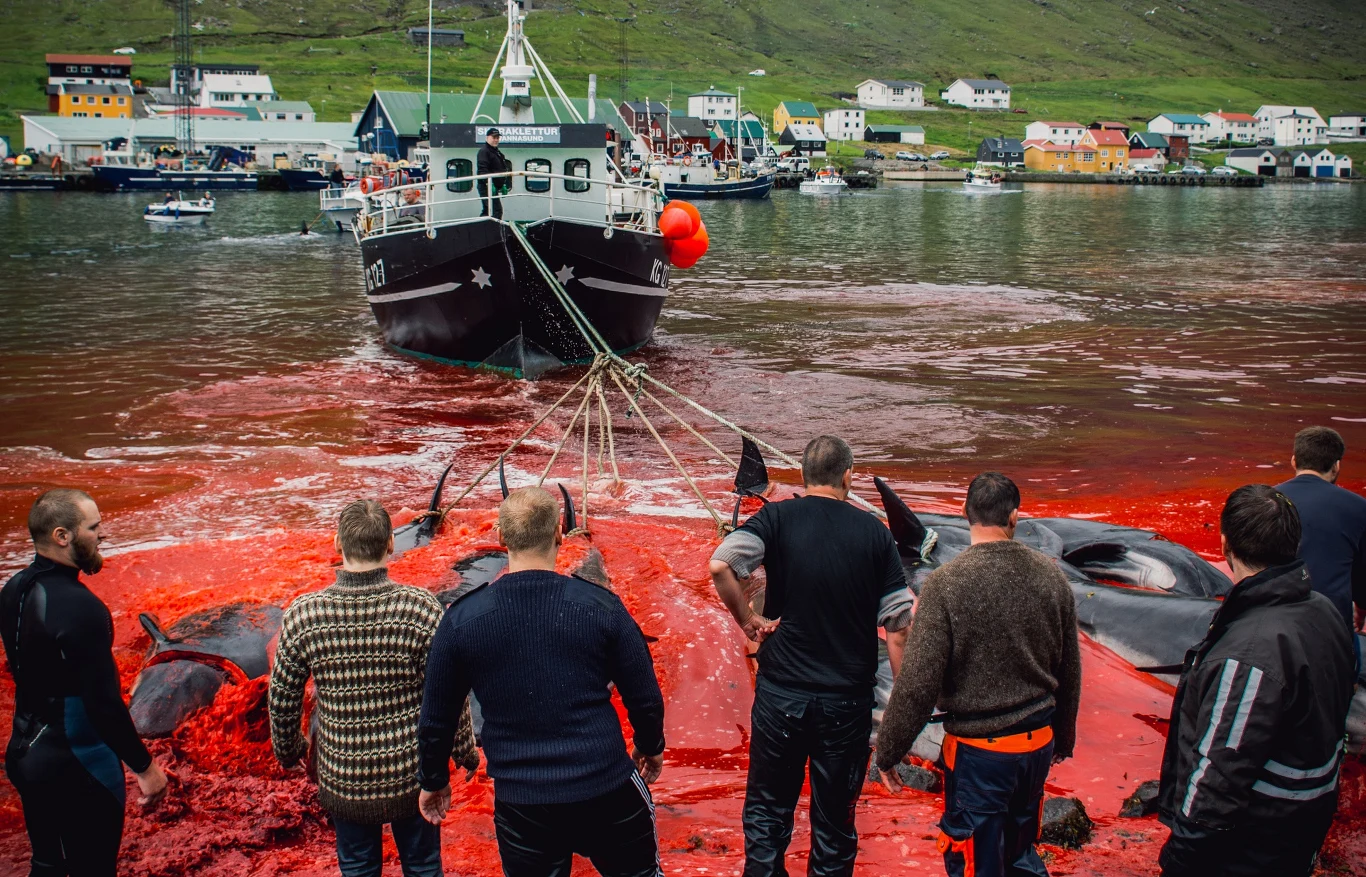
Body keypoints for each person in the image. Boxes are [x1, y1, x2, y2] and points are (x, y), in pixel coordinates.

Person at [417, 487, 665, 877]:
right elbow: (644, 694)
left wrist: (432, 779)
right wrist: (651, 746)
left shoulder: (463, 620)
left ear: (500, 538)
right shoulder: (600, 606)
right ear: (559, 536)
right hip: (607, 786)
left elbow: (437, 716)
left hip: (523, 803)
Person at [709, 435, 913, 877]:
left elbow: (721, 563)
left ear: (803, 476)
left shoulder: (778, 518)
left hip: (781, 694)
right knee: (835, 822)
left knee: (767, 811)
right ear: (848, 476)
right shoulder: (874, 534)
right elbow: (897, 625)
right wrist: (901, 709)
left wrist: (747, 619)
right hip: (845, 702)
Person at [875, 472, 1081, 877]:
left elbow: (918, 682)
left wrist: (889, 750)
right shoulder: (1052, 577)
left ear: (966, 513)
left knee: (973, 861)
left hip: (980, 755)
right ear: (1015, 518)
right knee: (1021, 852)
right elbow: (1070, 669)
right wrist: (1064, 738)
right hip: (1037, 743)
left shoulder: (945, 584)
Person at [269, 500, 479, 877]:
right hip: (412, 777)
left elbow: (283, 699)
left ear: (337, 544)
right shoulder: (420, 608)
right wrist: (464, 750)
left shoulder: (305, 615)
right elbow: (449, 692)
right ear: (390, 546)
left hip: (344, 778)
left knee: (358, 867)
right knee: (424, 867)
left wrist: (290, 751)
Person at [1156, 485, 1355, 876]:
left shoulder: (1249, 652)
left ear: (1225, 541)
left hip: (1255, 834)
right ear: (1293, 543)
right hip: (1308, 809)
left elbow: (1221, 768)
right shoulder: (1325, 610)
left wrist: (1180, 854)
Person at [1, 489, 169, 876]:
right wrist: (145, 768)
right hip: (78, 761)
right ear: (63, 536)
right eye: (93, 528)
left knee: (47, 865)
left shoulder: (14, 589)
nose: (101, 536)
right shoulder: (80, 608)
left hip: (27, 753)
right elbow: (103, 703)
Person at [1276, 426, 1366, 635]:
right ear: (1336, 466)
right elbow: (1363, 574)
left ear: (1294, 461)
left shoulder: (1266, 500)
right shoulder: (1359, 507)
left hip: (1274, 619)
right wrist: (1360, 610)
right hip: (1331, 625)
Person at [476, 128, 512, 220]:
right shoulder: (484, 151)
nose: (496, 140)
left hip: (492, 186)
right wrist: (489, 183)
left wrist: (502, 184)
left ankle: (483, 230)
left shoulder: (496, 151)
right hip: (486, 186)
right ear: (487, 138)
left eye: (497, 138)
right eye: (494, 137)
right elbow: (482, 170)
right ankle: (488, 230)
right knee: (495, 210)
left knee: (489, 210)